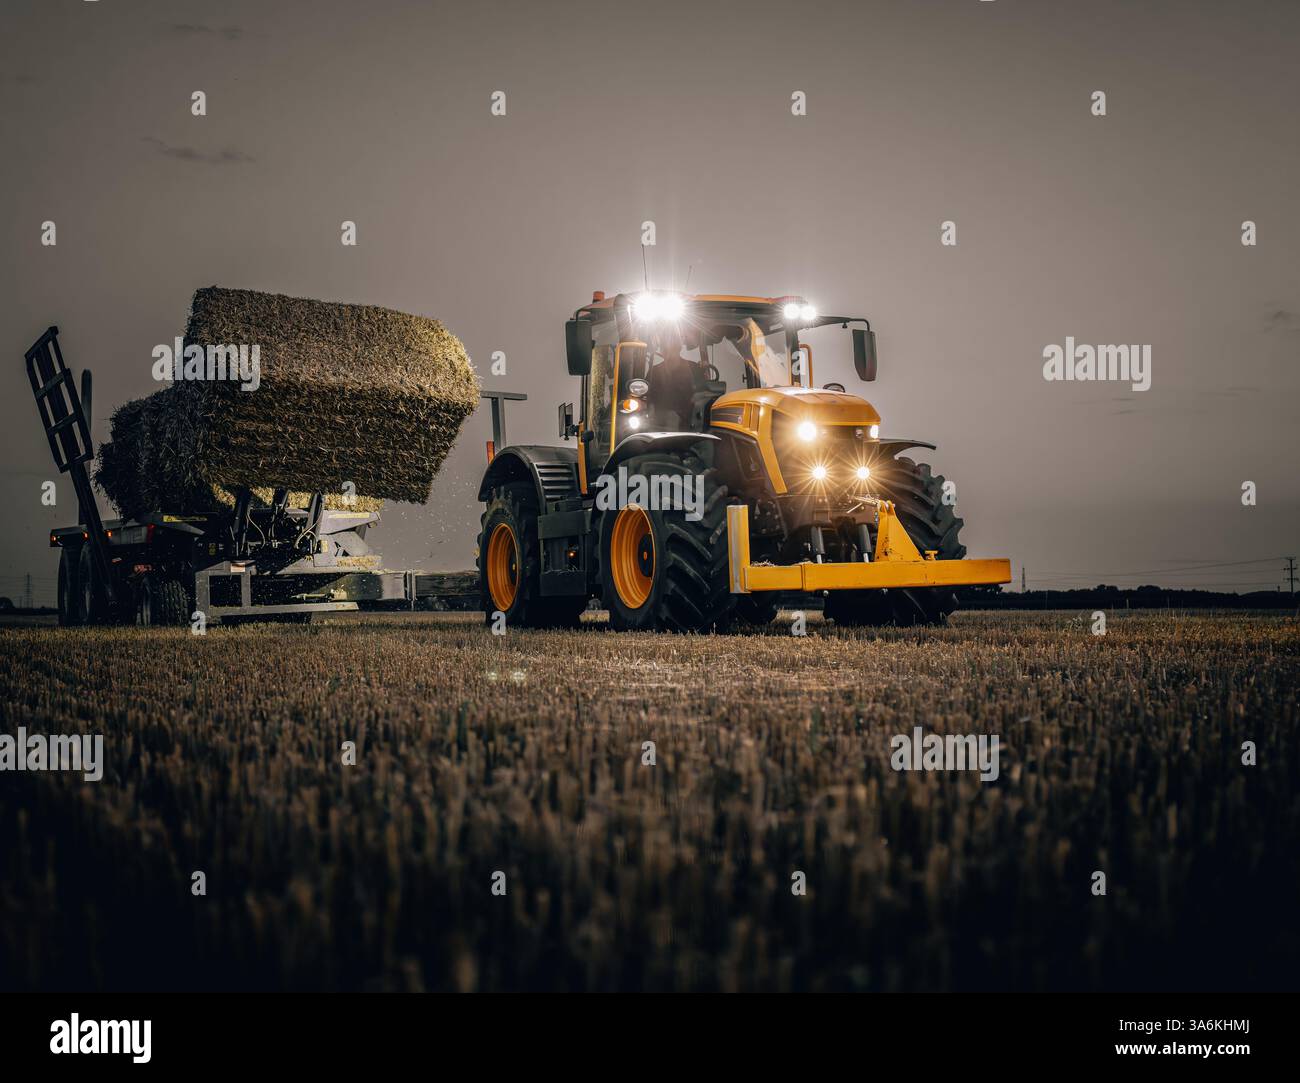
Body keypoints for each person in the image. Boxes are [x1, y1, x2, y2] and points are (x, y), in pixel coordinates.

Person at [645, 330, 698, 430]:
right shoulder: (653, 372)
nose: (667, 351)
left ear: (678, 348)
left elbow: (700, 397)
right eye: (664, 348)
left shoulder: (694, 369)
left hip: (690, 425)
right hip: (658, 426)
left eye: (671, 348)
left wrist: (681, 416)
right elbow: (646, 398)